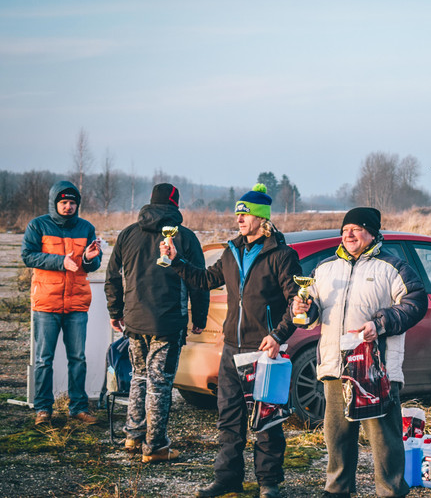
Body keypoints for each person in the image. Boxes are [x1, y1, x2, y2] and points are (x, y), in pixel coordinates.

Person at [160, 184, 302, 498]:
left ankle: (269, 483)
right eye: (237, 212)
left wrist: (278, 335)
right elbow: (205, 280)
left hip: (262, 351)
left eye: (245, 213)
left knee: (266, 422)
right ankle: (227, 479)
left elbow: (297, 302)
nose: (238, 218)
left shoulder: (281, 255)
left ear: (262, 219)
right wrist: (175, 261)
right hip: (231, 350)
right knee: (229, 419)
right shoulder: (231, 250)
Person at [292, 207, 428, 498]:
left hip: (375, 369)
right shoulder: (325, 268)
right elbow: (313, 313)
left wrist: (380, 324)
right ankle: (337, 490)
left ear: (372, 233)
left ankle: (390, 491)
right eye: (345, 229)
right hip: (335, 368)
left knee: (383, 438)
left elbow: (415, 303)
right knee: (336, 436)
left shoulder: (393, 267)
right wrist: (304, 309)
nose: (348, 234)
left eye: (356, 228)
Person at [104, 183, 209, 463]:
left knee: (139, 374)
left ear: (150, 204)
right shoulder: (184, 237)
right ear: (175, 205)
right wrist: (199, 317)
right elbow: (199, 281)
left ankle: (133, 435)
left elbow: (113, 275)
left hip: (134, 321)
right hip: (168, 322)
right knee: (160, 382)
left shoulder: (127, 234)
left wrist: (115, 310)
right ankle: (156, 445)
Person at [22, 180, 102, 426]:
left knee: (78, 358)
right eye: (63, 202)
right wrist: (60, 262)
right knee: (44, 359)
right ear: (54, 203)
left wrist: (89, 258)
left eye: (72, 203)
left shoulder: (86, 227)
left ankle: (78, 407)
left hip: (77, 303)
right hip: (47, 303)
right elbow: (28, 255)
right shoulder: (37, 225)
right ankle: (43, 409)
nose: (68, 207)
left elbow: (92, 265)